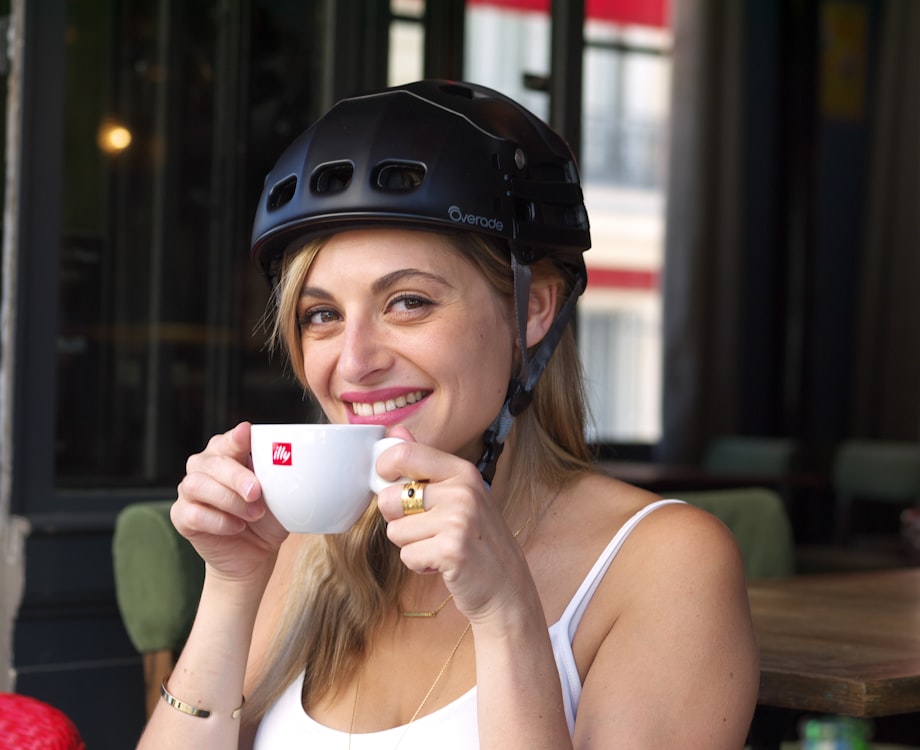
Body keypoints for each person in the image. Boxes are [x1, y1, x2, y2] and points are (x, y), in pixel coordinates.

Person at [137, 79, 759, 750]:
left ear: (532, 310)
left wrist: (504, 613)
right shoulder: (310, 546)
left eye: (407, 302)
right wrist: (233, 584)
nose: (354, 361)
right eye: (322, 314)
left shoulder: (662, 563)